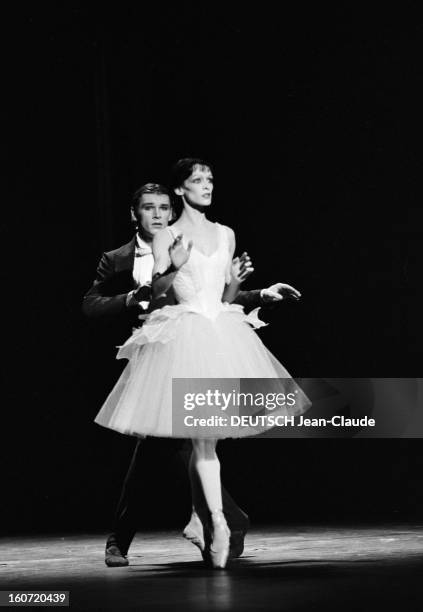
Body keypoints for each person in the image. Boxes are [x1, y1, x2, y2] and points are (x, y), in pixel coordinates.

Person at [84, 182, 301, 567]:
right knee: (158, 450)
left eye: (164, 207)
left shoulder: (190, 243)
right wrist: (132, 298)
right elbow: (92, 305)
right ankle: (206, 522)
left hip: (188, 352)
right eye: (149, 208)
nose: (158, 214)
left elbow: (212, 298)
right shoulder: (118, 259)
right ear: (134, 214)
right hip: (145, 362)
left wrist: (259, 293)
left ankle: (206, 522)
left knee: (186, 444)